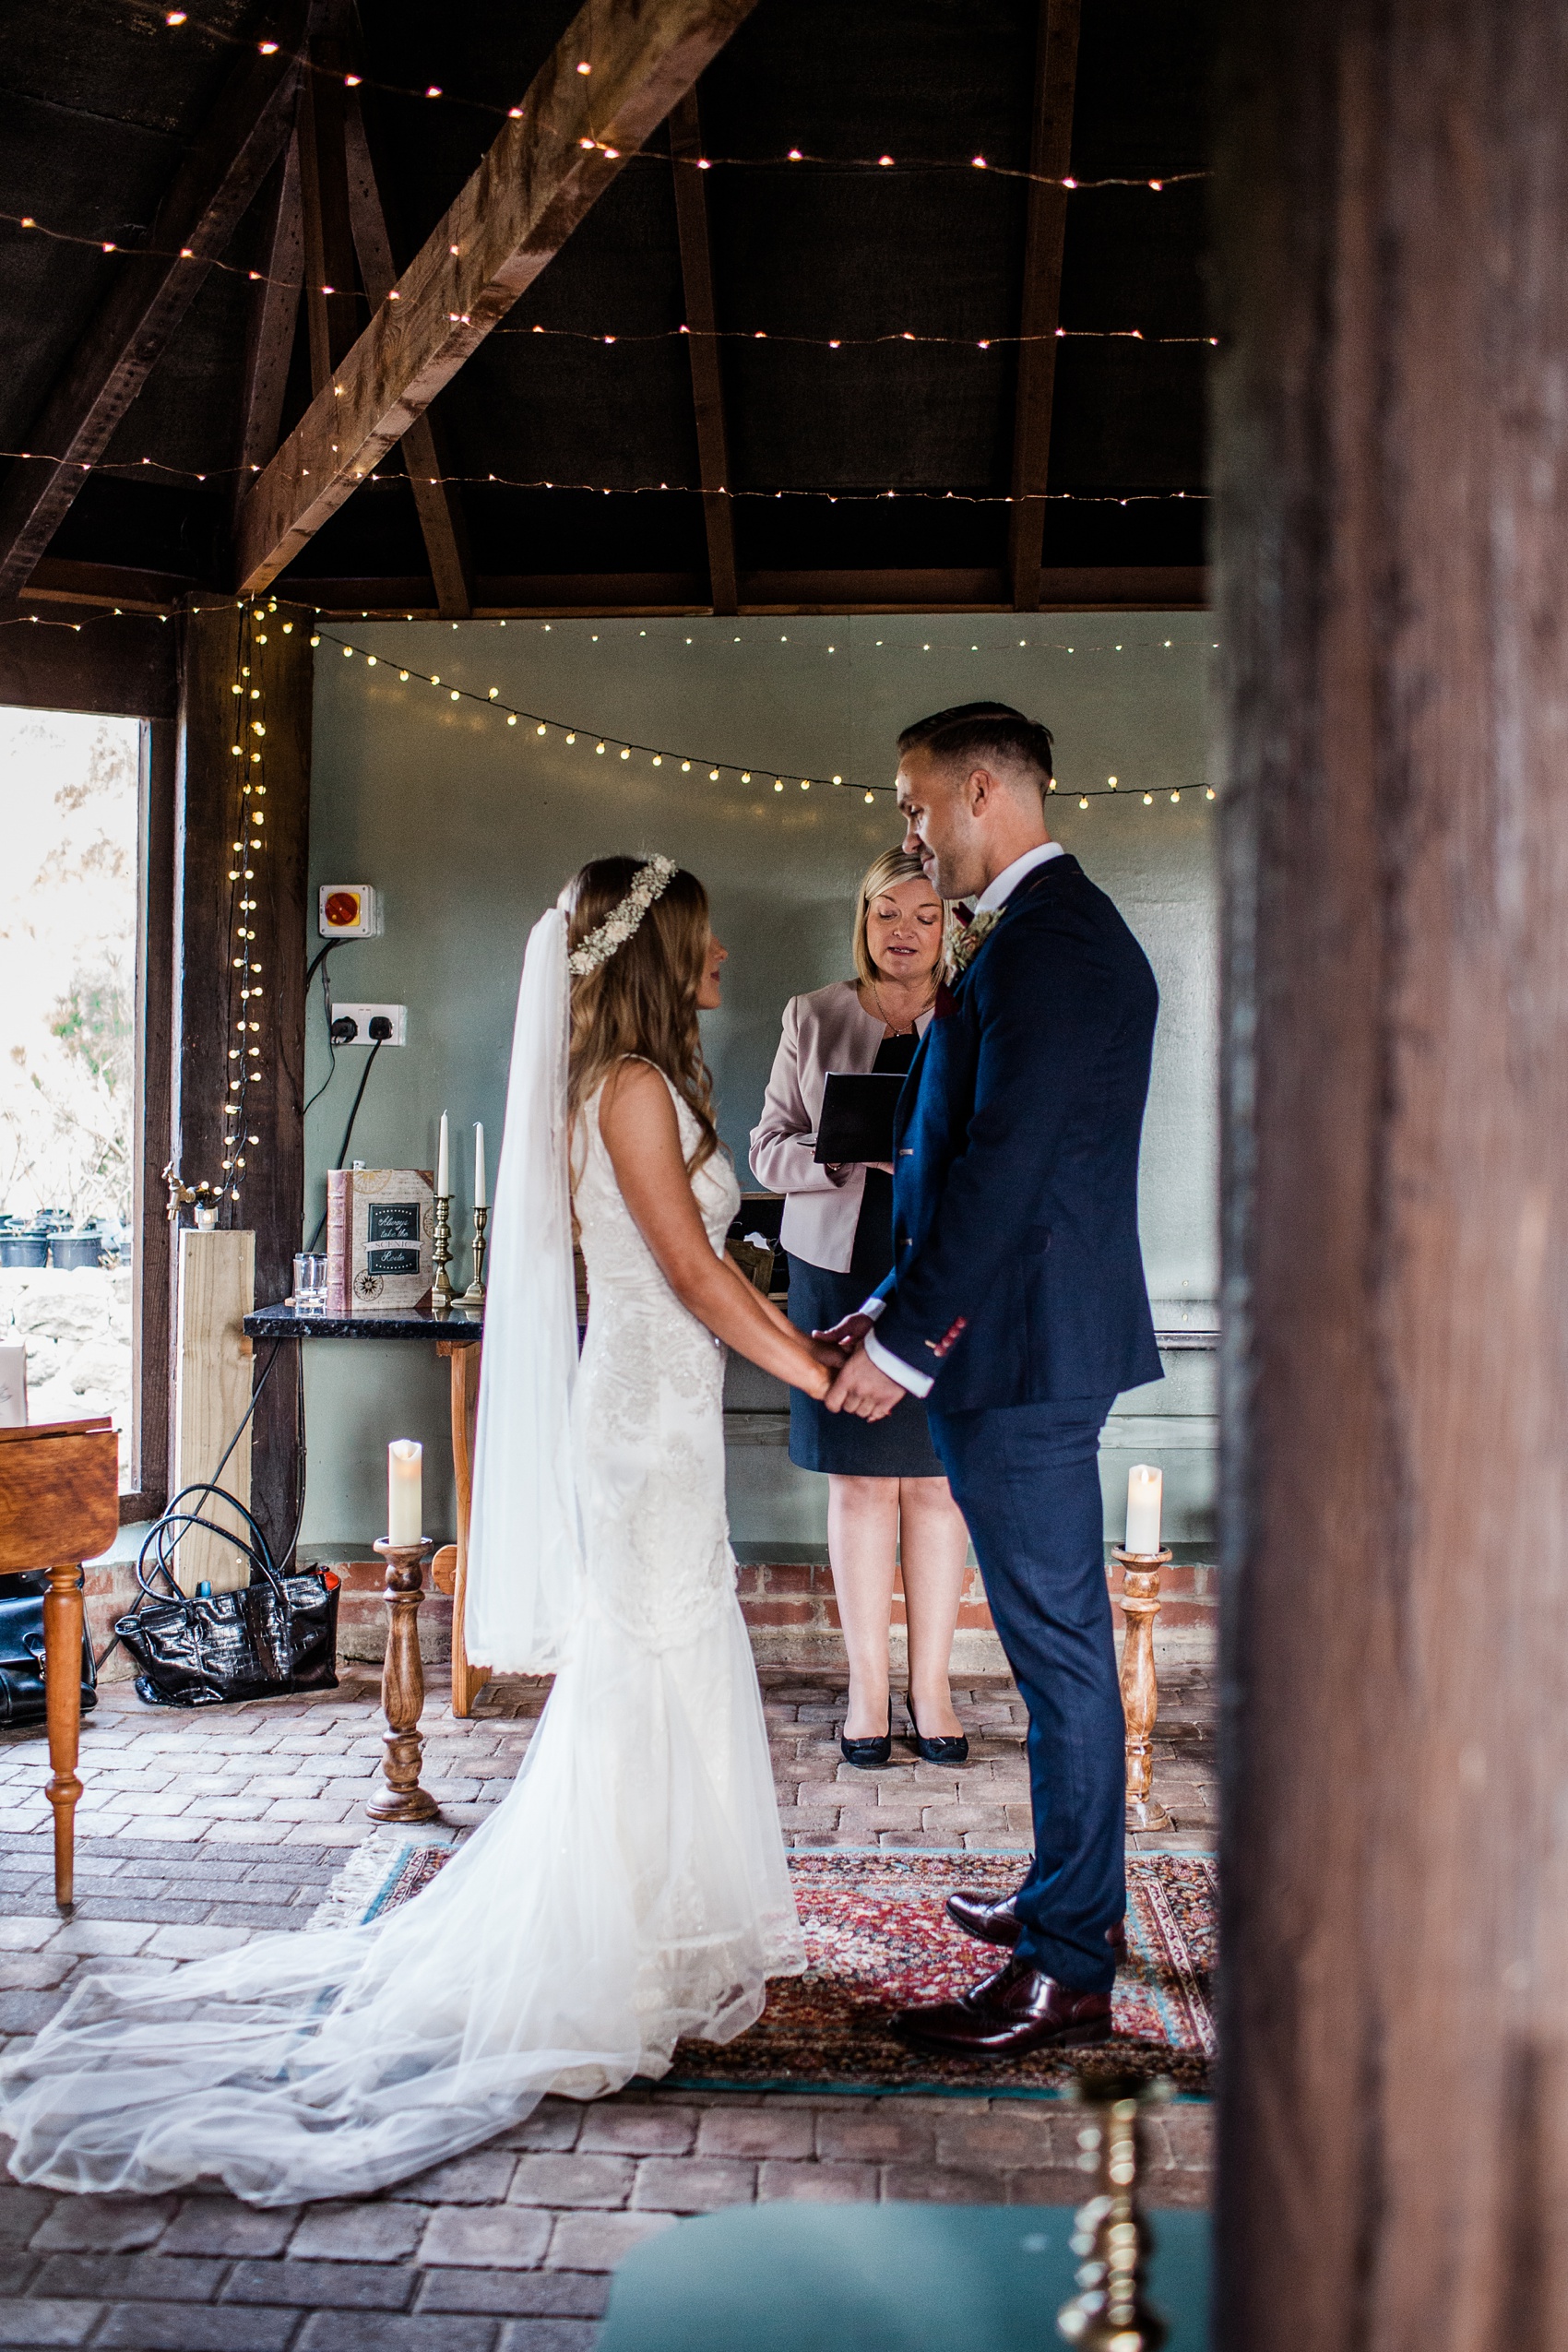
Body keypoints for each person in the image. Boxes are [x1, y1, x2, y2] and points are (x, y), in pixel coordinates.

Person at [0, 854, 835, 2204]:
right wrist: (811, 1367)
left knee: (672, 1656)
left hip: (669, 1410)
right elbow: (684, 1267)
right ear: (656, 955)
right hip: (638, 1415)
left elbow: (701, 1265)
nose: (724, 951)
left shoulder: (644, 1085)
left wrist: (795, 1330)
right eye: (705, 935)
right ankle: (610, 1953)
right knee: (646, 1663)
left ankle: (664, 1935)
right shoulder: (625, 1090)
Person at [819, 705, 1162, 2059]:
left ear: (977, 791)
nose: (909, 832)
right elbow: (972, 1163)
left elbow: (1012, 1174)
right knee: (1050, 1655)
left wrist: (905, 1349)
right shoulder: (1036, 933)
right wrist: (890, 1303)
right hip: (1005, 1341)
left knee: (1061, 1662)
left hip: (1019, 1359)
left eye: (916, 806)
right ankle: (1056, 1902)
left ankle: (1071, 1966)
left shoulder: (1059, 942)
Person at [750, 848, 972, 1767]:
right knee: (858, 1481)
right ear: (863, 918)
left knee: (934, 1481)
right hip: (836, 1273)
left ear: (949, 926)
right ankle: (866, 1688)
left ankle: (932, 1687)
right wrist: (842, 1160)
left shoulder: (976, 1012)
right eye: (888, 913)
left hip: (947, 1269)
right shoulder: (812, 1014)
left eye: (925, 915)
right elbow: (764, 1154)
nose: (905, 932)